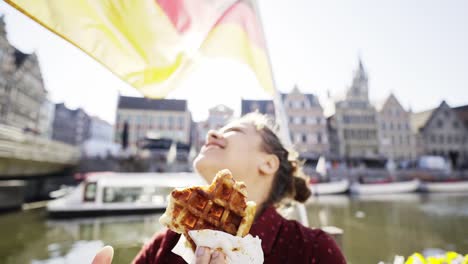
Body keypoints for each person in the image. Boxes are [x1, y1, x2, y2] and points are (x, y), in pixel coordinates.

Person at [92, 112, 346, 264]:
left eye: (233, 130)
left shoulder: (311, 250)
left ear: (267, 163)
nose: (211, 133)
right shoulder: (166, 243)